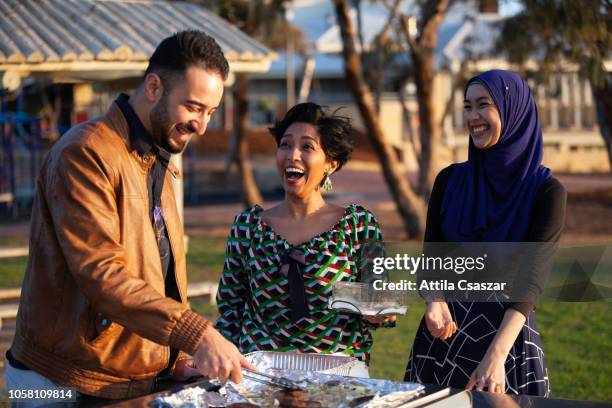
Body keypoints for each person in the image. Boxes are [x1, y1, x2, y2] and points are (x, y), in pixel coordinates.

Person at [6, 30, 254, 403]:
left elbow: (155, 276)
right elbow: (102, 275)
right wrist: (197, 333)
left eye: (211, 113)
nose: (202, 125)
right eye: (193, 107)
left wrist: (174, 359)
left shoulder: (158, 155)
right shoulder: (85, 153)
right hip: (59, 383)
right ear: (154, 87)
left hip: (124, 379)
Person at [404, 70, 566, 396]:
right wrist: (433, 301)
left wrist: (496, 356)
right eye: (467, 107)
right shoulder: (449, 181)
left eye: (483, 105)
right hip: (443, 338)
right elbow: (432, 259)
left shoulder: (546, 192)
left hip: (506, 339)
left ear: (512, 109)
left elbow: (530, 282)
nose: (473, 116)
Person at [215, 103, 394, 368]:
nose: (292, 155)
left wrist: (379, 312)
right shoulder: (247, 227)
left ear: (330, 164)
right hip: (261, 374)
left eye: (307, 147)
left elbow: (379, 297)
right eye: (285, 145)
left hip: (335, 374)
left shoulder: (358, 225)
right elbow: (229, 308)